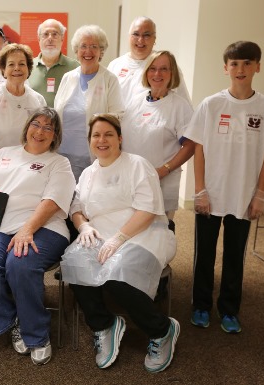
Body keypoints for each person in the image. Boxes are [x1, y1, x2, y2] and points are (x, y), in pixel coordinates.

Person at [61, 113, 178, 373]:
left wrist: (119, 238)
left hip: (144, 233)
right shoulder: (89, 173)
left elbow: (147, 210)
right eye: (96, 135)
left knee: (114, 275)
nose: (102, 140)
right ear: (90, 140)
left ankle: (162, 330)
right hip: (101, 235)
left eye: (108, 134)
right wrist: (83, 225)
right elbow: (76, 206)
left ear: (120, 138)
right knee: (75, 263)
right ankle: (104, 325)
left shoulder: (137, 165)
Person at [184, 41, 264, 334]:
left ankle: (229, 310)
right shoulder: (212, 104)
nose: (240, 69)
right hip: (211, 194)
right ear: (225, 68)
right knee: (203, 254)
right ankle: (201, 306)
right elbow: (199, 148)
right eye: (234, 64)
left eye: (246, 63)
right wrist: (200, 190)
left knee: (234, 256)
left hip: (244, 196)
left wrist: (261, 195)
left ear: (258, 66)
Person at [0, 107, 76, 365]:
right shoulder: (3, 154)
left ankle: (37, 334)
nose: (40, 131)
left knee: (20, 262)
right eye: (36, 124)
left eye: (48, 128)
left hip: (45, 228)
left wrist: (28, 229)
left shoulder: (59, 162)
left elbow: (53, 201)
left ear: (55, 136)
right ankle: (10, 317)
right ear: (27, 127)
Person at [121, 50, 194, 232]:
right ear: (146, 73)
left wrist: (164, 170)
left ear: (172, 74)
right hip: (132, 178)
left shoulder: (179, 106)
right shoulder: (135, 101)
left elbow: (190, 145)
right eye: (152, 69)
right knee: (131, 227)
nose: (157, 74)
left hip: (162, 179)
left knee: (159, 230)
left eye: (164, 69)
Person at [54, 24, 124, 182]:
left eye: (94, 46)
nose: (88, 51)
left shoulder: (109, 79)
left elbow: (117, 116)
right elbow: (57, 113)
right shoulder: (68, 77)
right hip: (62, 155)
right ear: (76, 51)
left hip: (93, 156)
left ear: (101, 51)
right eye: (83, 46)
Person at [0, 43, 46, 164]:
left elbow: (43, 138)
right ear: (4, 71)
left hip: (28, 165)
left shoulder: (38, 100)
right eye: (11, 64)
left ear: (28, 69)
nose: (17, 68)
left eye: (22, 64)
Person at [106, 16, 191, 107]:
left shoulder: (166, 66)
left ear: (154, 38)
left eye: (146, 35)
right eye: (136, 34)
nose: (140, 40)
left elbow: (184, 105)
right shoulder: (115, 65)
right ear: (129, 37)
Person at [28, 19, 79, 107]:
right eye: (45, 34)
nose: (50, 38)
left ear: (62, 38)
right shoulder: (28, 66)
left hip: (64, 120)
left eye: (55, 34)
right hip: (34, 120)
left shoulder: (76, 67)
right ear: (39, 39)